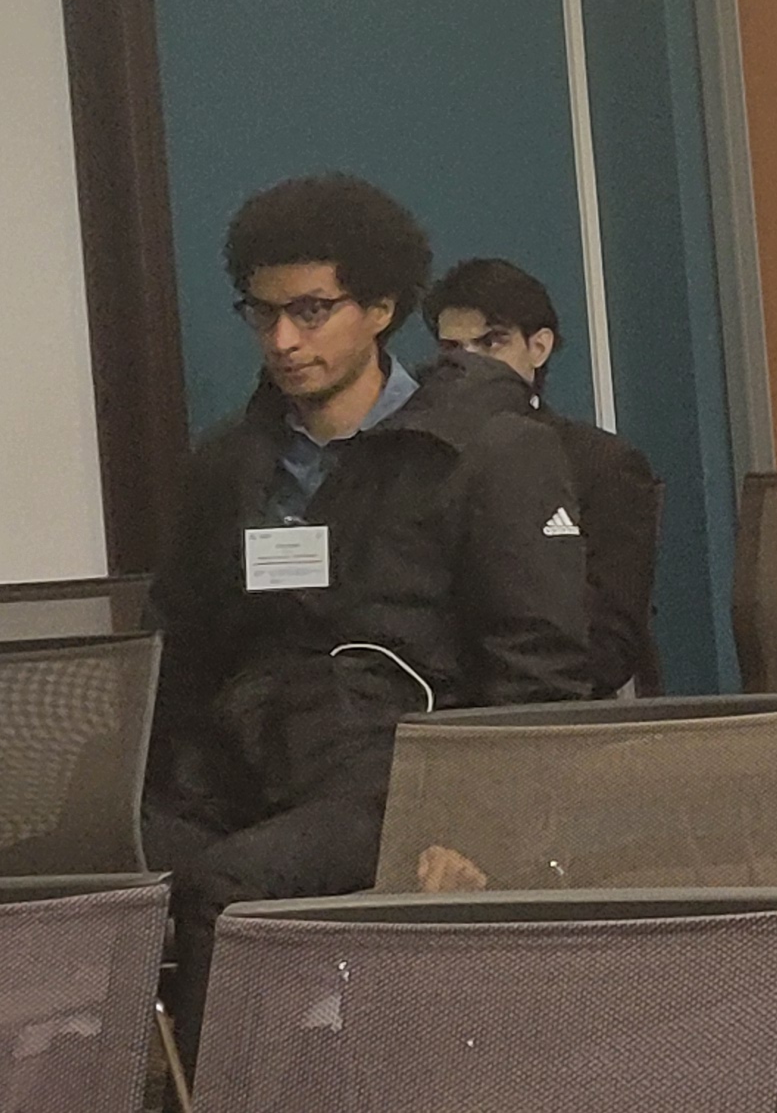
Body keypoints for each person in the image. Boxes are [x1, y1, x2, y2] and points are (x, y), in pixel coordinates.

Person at [143, 175, 590, 1044]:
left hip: (396, 775)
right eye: (263, 313)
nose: (283, 340)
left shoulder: (483, 454)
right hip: (239, 764)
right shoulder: (228, 465)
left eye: (311, 311)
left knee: (226, 888)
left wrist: (477, 830)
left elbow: (539, 672)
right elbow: (180, 649)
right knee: (89, 879)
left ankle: (252, 1089)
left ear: (381, 308)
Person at [427, 257, 663, 697]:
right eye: (452, 350)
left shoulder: (601, 464)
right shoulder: (422, 457)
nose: (470, 364)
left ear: (538, 347)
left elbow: (612, 640)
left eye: (491, 342)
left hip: (551, 703)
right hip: (430, 700)